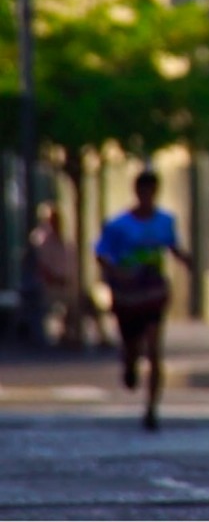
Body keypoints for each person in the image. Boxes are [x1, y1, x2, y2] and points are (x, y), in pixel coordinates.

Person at [94, 170, 193, 432]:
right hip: (127, 295)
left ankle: (151, 408)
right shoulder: (119, 225)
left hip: (153, 291)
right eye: (143, 192)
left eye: (152, 192)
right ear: (136, 192)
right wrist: (117, 273)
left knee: (154, 347)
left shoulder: (165, 221)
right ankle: (129, 365)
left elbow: (172, 247)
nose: (147, 197)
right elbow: (101, 253)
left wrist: (186, 260)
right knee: (132, 346)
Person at [30, 203, 112, 349]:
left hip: (69, 286)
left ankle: (90, 335)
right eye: (52, 220)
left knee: (88, 301)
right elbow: (42, 268)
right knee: (64, 303)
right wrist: (56, 280)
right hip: (50, 287)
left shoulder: (65, 242)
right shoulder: (41, 241)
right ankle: (67, 334)